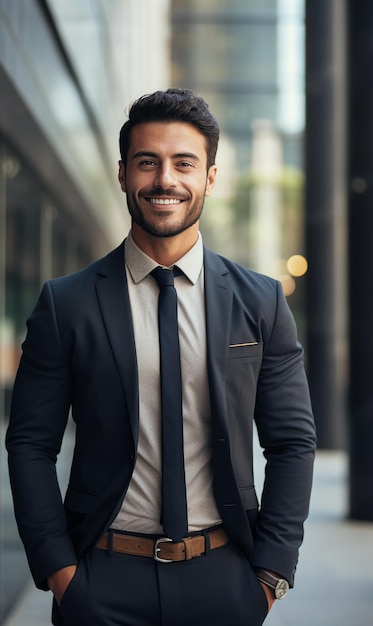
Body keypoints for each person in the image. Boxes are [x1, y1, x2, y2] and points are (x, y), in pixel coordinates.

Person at [6, 88, 316, 626]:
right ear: (124, 174)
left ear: (210, 179)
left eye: (184, 164)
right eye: (148, 163)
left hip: (224, 577)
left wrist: (270, 575)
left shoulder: (260, 302)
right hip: (101, 578)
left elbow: (292, 442)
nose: (165, 180)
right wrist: (60, 573)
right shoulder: (67, 303)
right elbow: (31, 443)